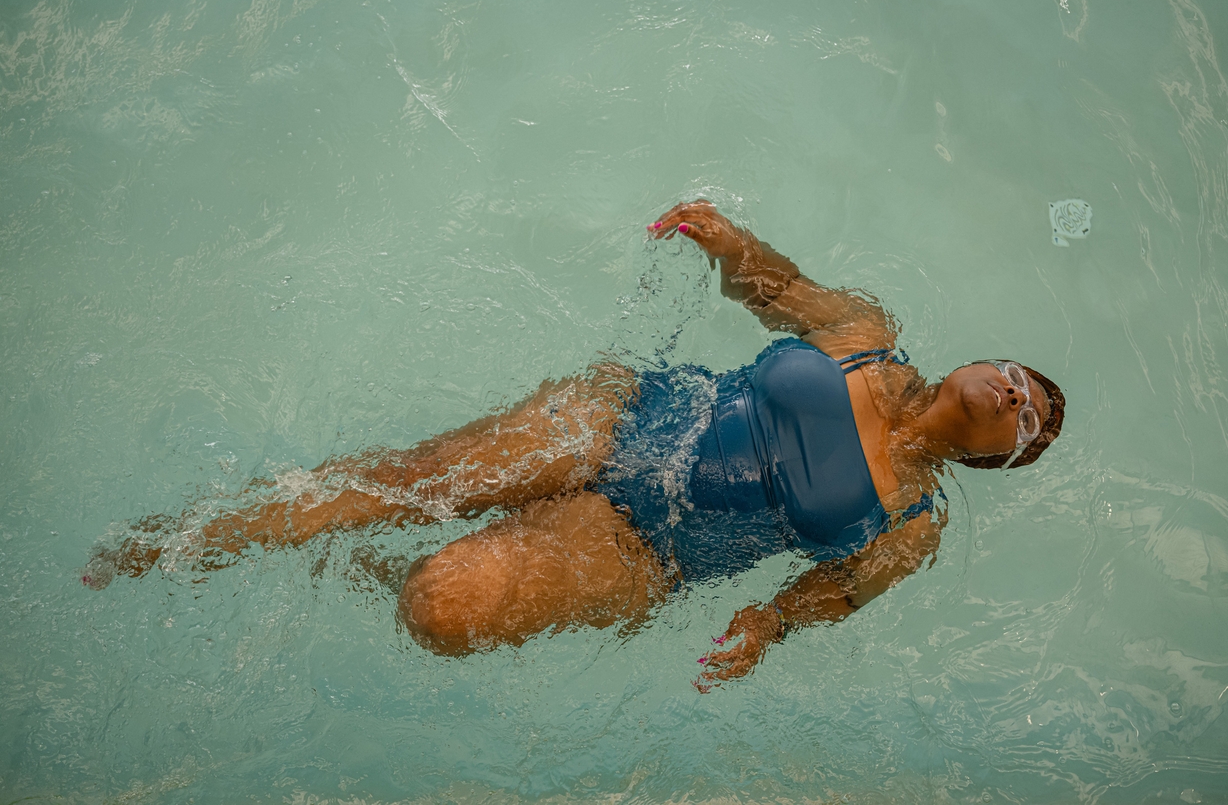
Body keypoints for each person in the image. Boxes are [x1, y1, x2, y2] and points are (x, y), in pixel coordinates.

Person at [85, 200, 1065, 689]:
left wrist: (771, 624)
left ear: (995, 455)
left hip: (645, 550)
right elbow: (776, 286)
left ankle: (371, 569)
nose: (1012, 390)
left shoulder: (909, 523)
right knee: (405, 480)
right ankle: (181, 539)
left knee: (440, 606)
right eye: (1019, 375)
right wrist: (725, 242)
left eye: (1024, 414)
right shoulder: (862, 336)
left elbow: (832, 589)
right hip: (623, 418)